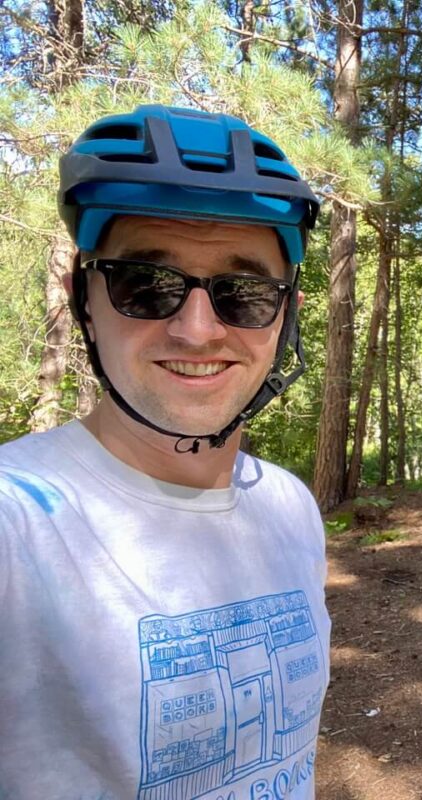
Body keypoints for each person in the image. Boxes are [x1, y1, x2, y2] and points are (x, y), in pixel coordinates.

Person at [0, 105, 331, 800]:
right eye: (145, 285)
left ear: (285, 316)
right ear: (83, 300)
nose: (196, 329)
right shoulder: (17, 523)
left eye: (244, 292)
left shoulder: (288, 506)